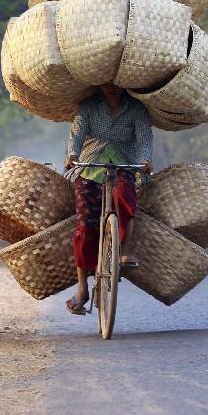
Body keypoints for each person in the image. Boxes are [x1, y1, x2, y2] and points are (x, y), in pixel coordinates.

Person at [63, 83, 153, 315]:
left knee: (125, 198)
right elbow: (77, 134)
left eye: (116, 84)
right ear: (100, 84)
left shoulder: (136, 109)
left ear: (123, 84)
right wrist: (72, 155)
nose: (111, 88)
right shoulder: (89, 107)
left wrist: (145, 158)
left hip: (124, 164)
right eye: (106, 84)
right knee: (85, 224)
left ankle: (122, 251)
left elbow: (144, 138)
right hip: (90, 166)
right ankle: (83, 288)